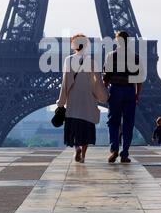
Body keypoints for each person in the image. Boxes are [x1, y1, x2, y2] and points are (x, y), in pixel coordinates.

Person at [57, 34, 109, 163]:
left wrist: (61, 101)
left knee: (74, 128)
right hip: (88, 98)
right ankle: (83, 157)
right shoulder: (92, 61)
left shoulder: (68, 60)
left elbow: (65, 82)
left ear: (73, 45)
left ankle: (76, 148)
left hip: (73, 99)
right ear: (86, 46)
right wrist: (103, 96)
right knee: (86, 128)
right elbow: (97, 82)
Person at [103, 31, 145, 163]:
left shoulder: (111, 56)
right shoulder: (136, 57)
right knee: (128, 123)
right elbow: (140, 78)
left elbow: (106, 78)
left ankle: (114, 149)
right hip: (129, 91)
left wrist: (105, 90)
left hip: (115, 90)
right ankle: (125, 154)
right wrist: (137, 95)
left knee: (113, 122)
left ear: (117, 41)